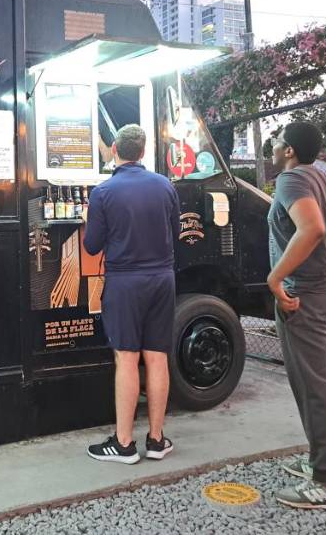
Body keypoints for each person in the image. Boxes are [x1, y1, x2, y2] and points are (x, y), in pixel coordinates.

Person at [267, 122, 326, 511]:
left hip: (303, 298)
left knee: (313, 388)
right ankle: (320, 460)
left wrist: (276, 278)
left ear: (289, 150)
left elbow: (313, 229)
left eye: (277, 140)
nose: (273, 145)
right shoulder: (325, 180)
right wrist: (324, 267)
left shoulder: (290, 180)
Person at [82, 124, 180, 464]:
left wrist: (90, 218)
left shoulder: (103, 192)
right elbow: (175, 232)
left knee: (126, 357)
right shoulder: (165, 186)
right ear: (143, 151)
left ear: (114, 149)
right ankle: (156, 440)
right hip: (162, 278)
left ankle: (124, 445)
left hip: (125, 282)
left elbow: (92, 246)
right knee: (157, 357)